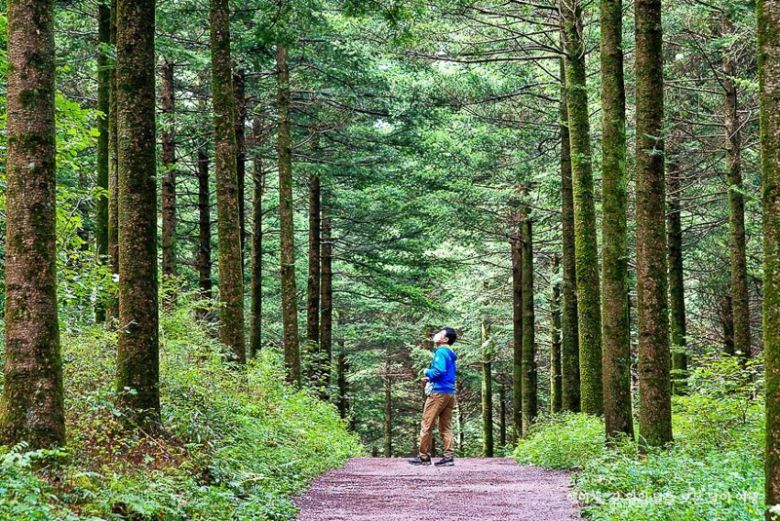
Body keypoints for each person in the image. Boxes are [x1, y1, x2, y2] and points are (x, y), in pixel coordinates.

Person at [409, 327, 458, 467]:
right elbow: (446, 373)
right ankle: (448, 457)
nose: (436, 335)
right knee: (446, 426)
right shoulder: (450, 352)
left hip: (438, 393)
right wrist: (430, 378)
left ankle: (424, 457)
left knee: (426, 424)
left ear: (446, 339)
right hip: (449, 392)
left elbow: (439, 371)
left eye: (440, 333)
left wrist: (427, 371)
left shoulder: (441, 351)